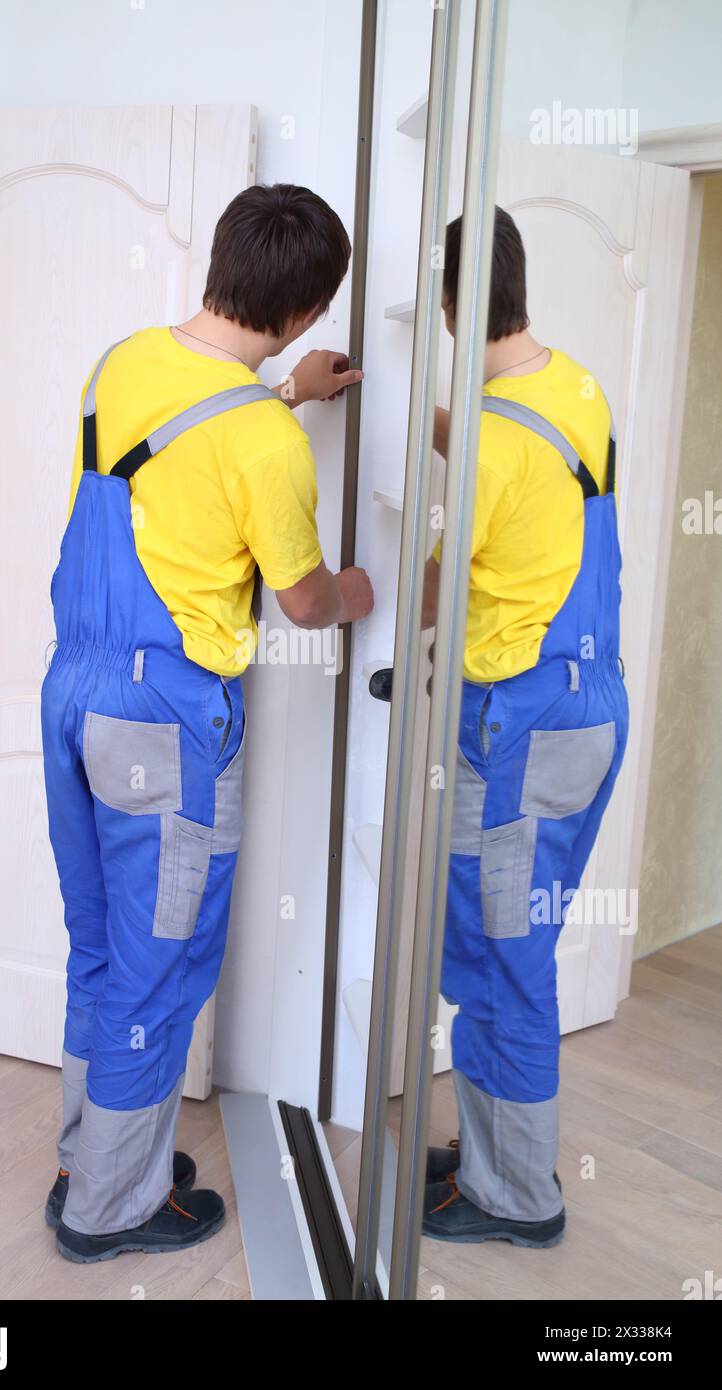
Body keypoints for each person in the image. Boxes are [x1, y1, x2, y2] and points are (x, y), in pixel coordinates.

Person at [41, 183, 374, 1263]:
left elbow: (185, 447)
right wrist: (363, 589)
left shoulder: (120, 361)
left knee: (101, 946)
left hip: (74, 694)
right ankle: (112, 1211)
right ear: (310, 306)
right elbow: (302, 597)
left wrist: (282, 393)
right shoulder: (262, 448)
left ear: (224, 260)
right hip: (164, 726)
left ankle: (91, 1154)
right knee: (159, 966)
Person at [421, 207, 629, 1248]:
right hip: (591, 711)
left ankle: (514, 1199)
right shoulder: (575, 386)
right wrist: (449, 434)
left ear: (452, 304)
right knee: (520, 942)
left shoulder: (490, 445)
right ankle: (496, 1151)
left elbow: (436, 590)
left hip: (520, 727)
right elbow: (528, 468)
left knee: (500, 960)